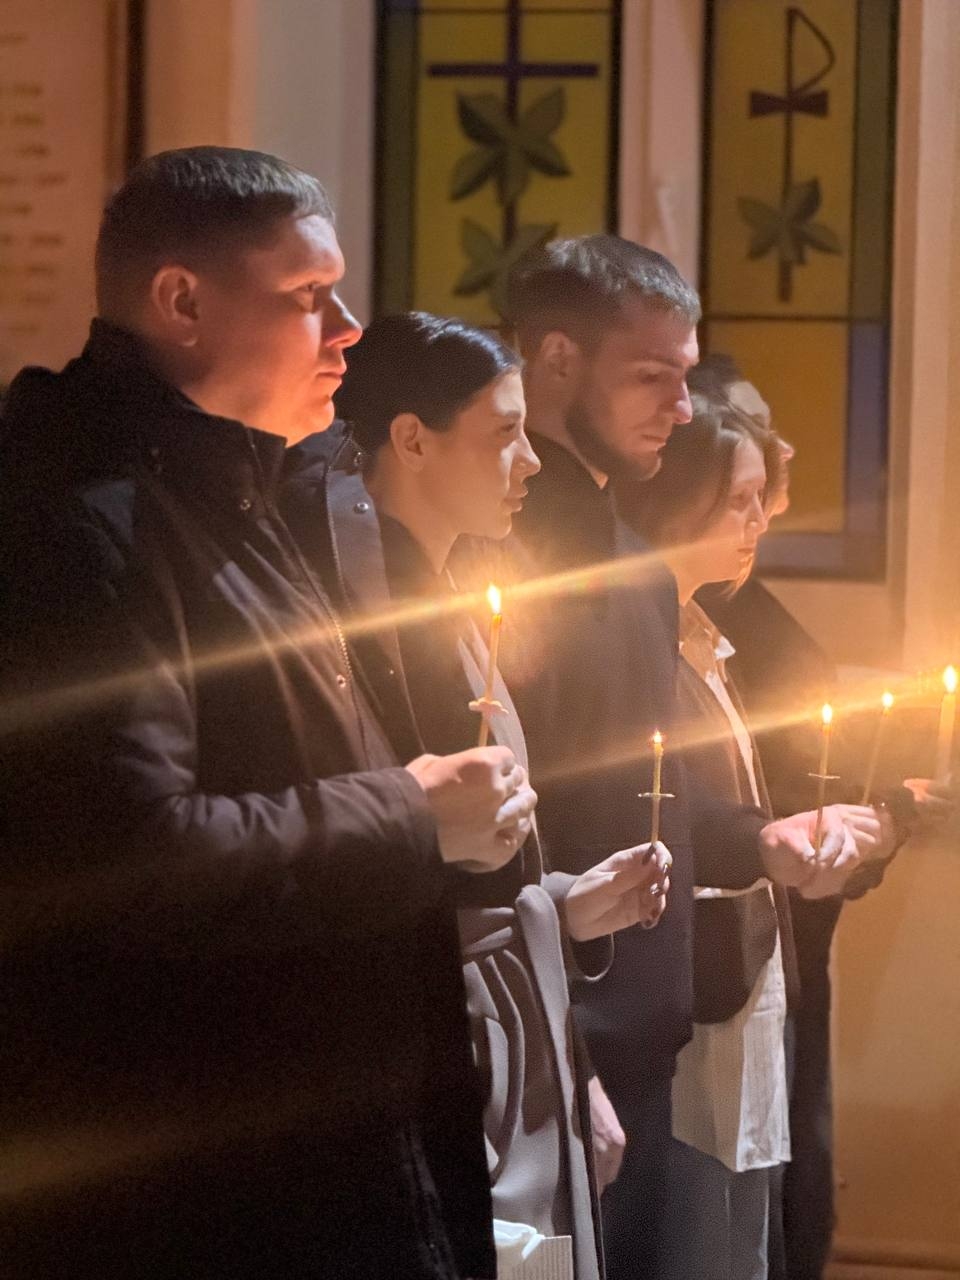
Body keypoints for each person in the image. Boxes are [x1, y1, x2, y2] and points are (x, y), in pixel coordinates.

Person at [0, 148, 538, 1280]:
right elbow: (132, 852)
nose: (347, 329)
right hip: (210, 1165)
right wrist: (410, 811)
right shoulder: (88, 523)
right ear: (182, 301)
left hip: (323, 1119)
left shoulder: (242, 489)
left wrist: (446, 826)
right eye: (307, 296)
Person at [503, 234, 872, 1279]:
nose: (680, 405)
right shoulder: (515, 554)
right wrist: (569, 1052)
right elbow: (531, 818)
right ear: (557, 360)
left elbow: (643, 787)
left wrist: (764, 837)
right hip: (564, 1028)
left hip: (644, 1031)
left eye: (685, 374)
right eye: (652, 376)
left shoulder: (629, 562)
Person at [282, 310, 673, 1280]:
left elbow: (484, 857)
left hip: (510, 1005)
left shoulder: (452, 592)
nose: (531, 461)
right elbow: (417, 857)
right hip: (449, 1025)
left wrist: (567, 901)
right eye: (504, 433)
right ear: (412, 439)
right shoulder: (370, 621)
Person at [615, 397, 895, 1280]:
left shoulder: (706, 633)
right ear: (679, 500)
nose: (758, 520)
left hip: (748, 988)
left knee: (746, 1239)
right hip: (693, 997)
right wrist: (768, 839)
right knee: (696, 1241)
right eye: (738, 500)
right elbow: (669, 805)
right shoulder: (640, 642)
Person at [689, 354, 954, 1280]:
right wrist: (878, 812)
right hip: (743, 945)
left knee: (791, 1174)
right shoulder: (698, 612)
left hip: (791, 930)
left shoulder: (738, 597)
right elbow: (763, 785)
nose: (789, 450)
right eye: (760, 431)